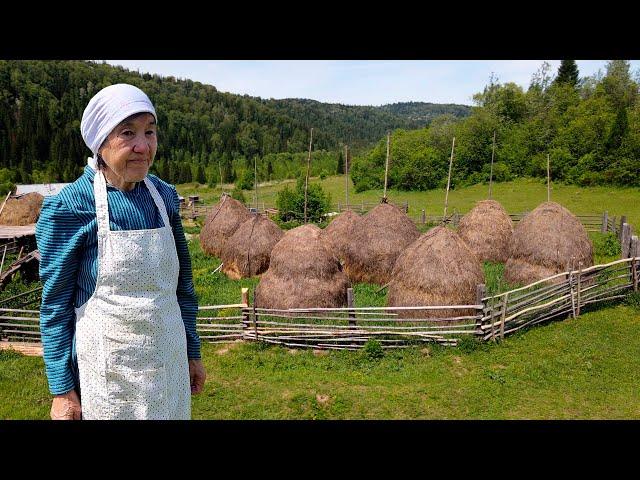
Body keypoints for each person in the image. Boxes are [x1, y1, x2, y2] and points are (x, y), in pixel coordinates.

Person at [36, 83, 206, 420]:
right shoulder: (69, 208)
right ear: (100, 143)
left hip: (169, 369)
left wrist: (192, 352)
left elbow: (181, 288)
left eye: (150, 132)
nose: (143, 146)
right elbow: (55, 306)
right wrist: (62, 390)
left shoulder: (164, 197)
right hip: (109, 378)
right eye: (128, 133)